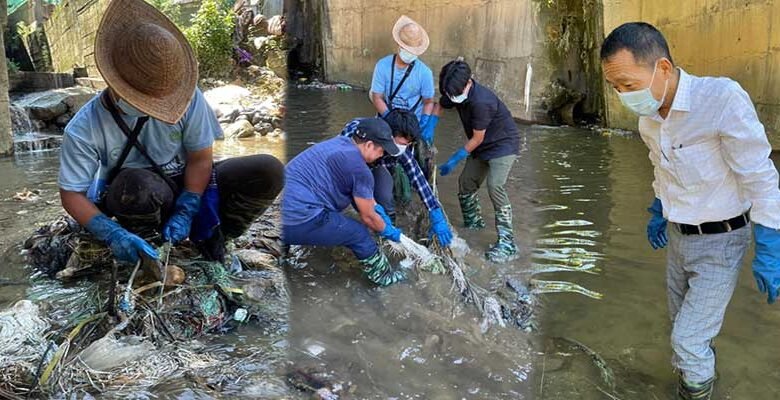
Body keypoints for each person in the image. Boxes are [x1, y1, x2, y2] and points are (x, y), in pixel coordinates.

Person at [601, 22, 780, 400]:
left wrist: (769, 244)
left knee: (686, 339)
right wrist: (658, 208)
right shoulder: (649, 120)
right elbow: (662, 169)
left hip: (724, 241)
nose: (623, 96)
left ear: (662, 68)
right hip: (680, 240)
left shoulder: (721, 99)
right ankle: (703, 378)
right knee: (685, 329)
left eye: (629, 85)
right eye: (616, 88)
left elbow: (760, 175)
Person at [57, 0, 284, 272]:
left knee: (268, 170)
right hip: (138, 195)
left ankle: (218, 236)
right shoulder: (85, 127)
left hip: (187, 184)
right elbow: (72, 194)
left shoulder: (188, 98)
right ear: (115, 84)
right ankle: (150, 248)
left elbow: (200, 158)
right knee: (136, 185)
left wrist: (188, 206)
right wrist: (111, 233)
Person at [282, 118, 407, 286]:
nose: (382, 155)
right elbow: (368, 218)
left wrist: (376, 210)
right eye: (381, 150)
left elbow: (358, 197)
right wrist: (388, 230)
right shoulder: (360, 170)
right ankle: (385, 278)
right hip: (294, 221)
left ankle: (281, 253)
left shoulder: (339, 143)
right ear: (369, 145)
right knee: (359, 234)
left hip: (275, 213)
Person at [435, 60, 521, 263]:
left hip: (502, 145)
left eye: (455, 94)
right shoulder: (454, 93)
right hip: (482, 147)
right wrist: (430, 123)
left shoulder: (482, 101)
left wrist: (455, 158)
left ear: (467, 84)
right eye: (449, 94)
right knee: (465, 184)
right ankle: (473, 224)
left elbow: (477, 138)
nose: (452, 98)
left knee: (495, 186)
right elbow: (439, 104)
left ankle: (508, 243)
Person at [339, 109, 453, 247]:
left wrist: (435, 211)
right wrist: (369, 207)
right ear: (389, 135)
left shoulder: (400, 150)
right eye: (402, 144)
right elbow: (350, 176)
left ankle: (387, 235)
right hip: (351, 165)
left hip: (377, 165)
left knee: (385, 198)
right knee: (352, 201)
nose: (404, 148)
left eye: (408, 145)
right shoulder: (356, 134)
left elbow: (417, 177)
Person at [370, 15, 439, 146]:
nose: (410, 53)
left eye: (413, 51)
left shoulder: (425, 73)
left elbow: (429, 102)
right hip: (389, 119)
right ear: (399, 45)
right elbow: (377, 97)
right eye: (407, 49)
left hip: (412, 125)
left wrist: (423, 123)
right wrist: (388, 117)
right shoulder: (382, 66)